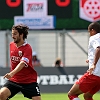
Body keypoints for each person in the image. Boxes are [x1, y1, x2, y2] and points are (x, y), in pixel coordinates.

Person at [0, 24, 41, 100]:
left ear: (21, 35)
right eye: (12, 34)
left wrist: (12, 73)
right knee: (2, 94)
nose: (13, 36)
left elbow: (22, 63)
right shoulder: (11, 45)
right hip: (15, 80)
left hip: (28, 81)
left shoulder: (27, 48)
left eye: (15, 34)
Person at [68, 22, 100, 100]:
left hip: (95, 74)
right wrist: (91, 58)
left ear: (92, 30)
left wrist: (94, 64)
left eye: (89, 32)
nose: (89, 34)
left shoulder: (95, 37)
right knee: (87, 96)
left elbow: (98, 48)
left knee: (72, 94)